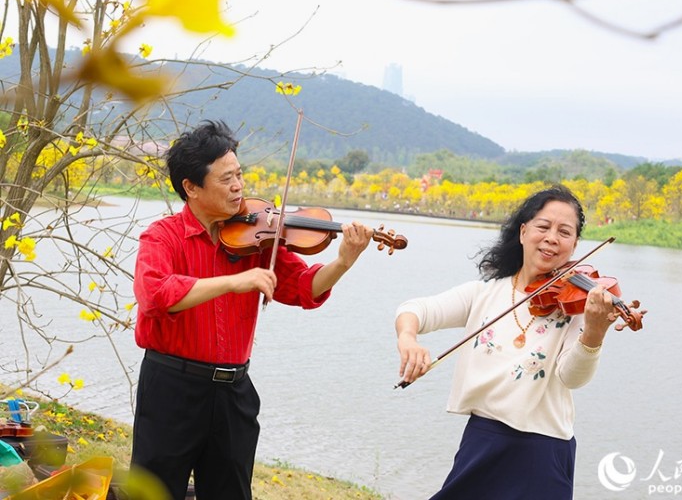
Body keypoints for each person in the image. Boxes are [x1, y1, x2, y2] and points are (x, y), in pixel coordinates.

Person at [131, 120, 371, 500]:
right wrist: (234, 282)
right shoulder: (162, 237)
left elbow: (304, 288)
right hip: (172, 390)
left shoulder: (257, 237)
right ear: (191, 188)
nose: (239, 187)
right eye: (226, 179)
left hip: (233, 393)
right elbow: (155, 294)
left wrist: (343, 261)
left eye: (239, 175)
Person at [395, 185, 617, 500]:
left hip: (544, 450)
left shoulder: (578, 308)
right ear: (523, 232)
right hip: (483, 440)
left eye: (564, 232)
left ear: (575, 244)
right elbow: (414, 310)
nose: (552, 237)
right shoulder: (484, 294)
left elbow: (573, 377)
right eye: (543, 226)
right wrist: (408, 338)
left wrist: (595, 331)